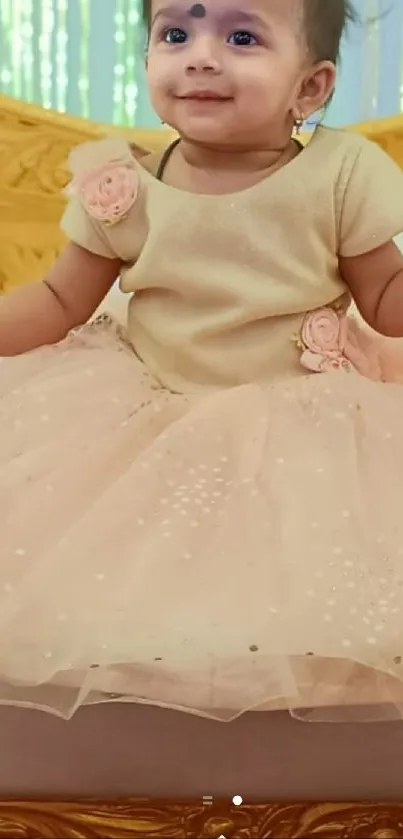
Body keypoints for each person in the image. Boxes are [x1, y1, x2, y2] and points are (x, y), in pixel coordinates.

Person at [1, 0, 403, 723]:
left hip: (302, 417)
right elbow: (61, 297)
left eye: (241, 36)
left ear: (308, 89)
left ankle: (277, 762)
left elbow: (384, 298)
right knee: (125, 576)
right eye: (175, 34)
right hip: (150, 405)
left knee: (305, 586)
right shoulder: (120, 182)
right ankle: (143, 741)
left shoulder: (340, 173)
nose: (200, 55)